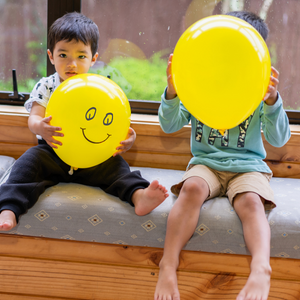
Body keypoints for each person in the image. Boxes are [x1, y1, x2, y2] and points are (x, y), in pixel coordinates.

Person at [154, 11, 291, 300]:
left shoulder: (257, 90)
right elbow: (170, 124)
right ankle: (168, 264)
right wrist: (172, 91)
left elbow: (279, 139)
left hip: (249, 166)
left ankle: (260, 269)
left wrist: (272, 101)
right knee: (190, 188)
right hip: (206, 162)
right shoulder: (201, 83)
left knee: (252, 202)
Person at [0, 12, 168, 231]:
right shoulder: (47, 85)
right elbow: (34, 118)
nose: (72, 63)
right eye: (63, 55)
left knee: (118, 166)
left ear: (93, 59)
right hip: (53, 152)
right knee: (27, 163)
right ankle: (9, 209)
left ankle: (139, 196)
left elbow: (115, 122)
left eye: (81, 56)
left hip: (93, 155)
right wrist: (40, 126)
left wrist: (128, 138)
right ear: (51, 56)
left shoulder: (101, 88)